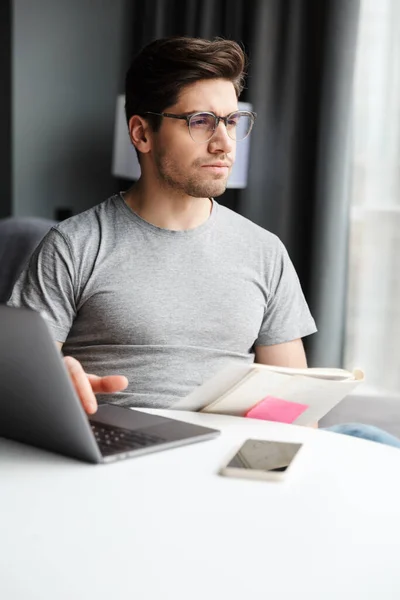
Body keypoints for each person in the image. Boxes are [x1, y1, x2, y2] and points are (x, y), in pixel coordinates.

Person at [8, 36, 400, 449]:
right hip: (128, 455)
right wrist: (52, 390)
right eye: (200, 121)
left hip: (233, 458)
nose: (225, 143)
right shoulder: (73, 246)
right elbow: (19, 393)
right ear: (142, 134)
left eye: (232, 121)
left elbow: (297, 414)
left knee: (376, 443)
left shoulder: (265, 252)